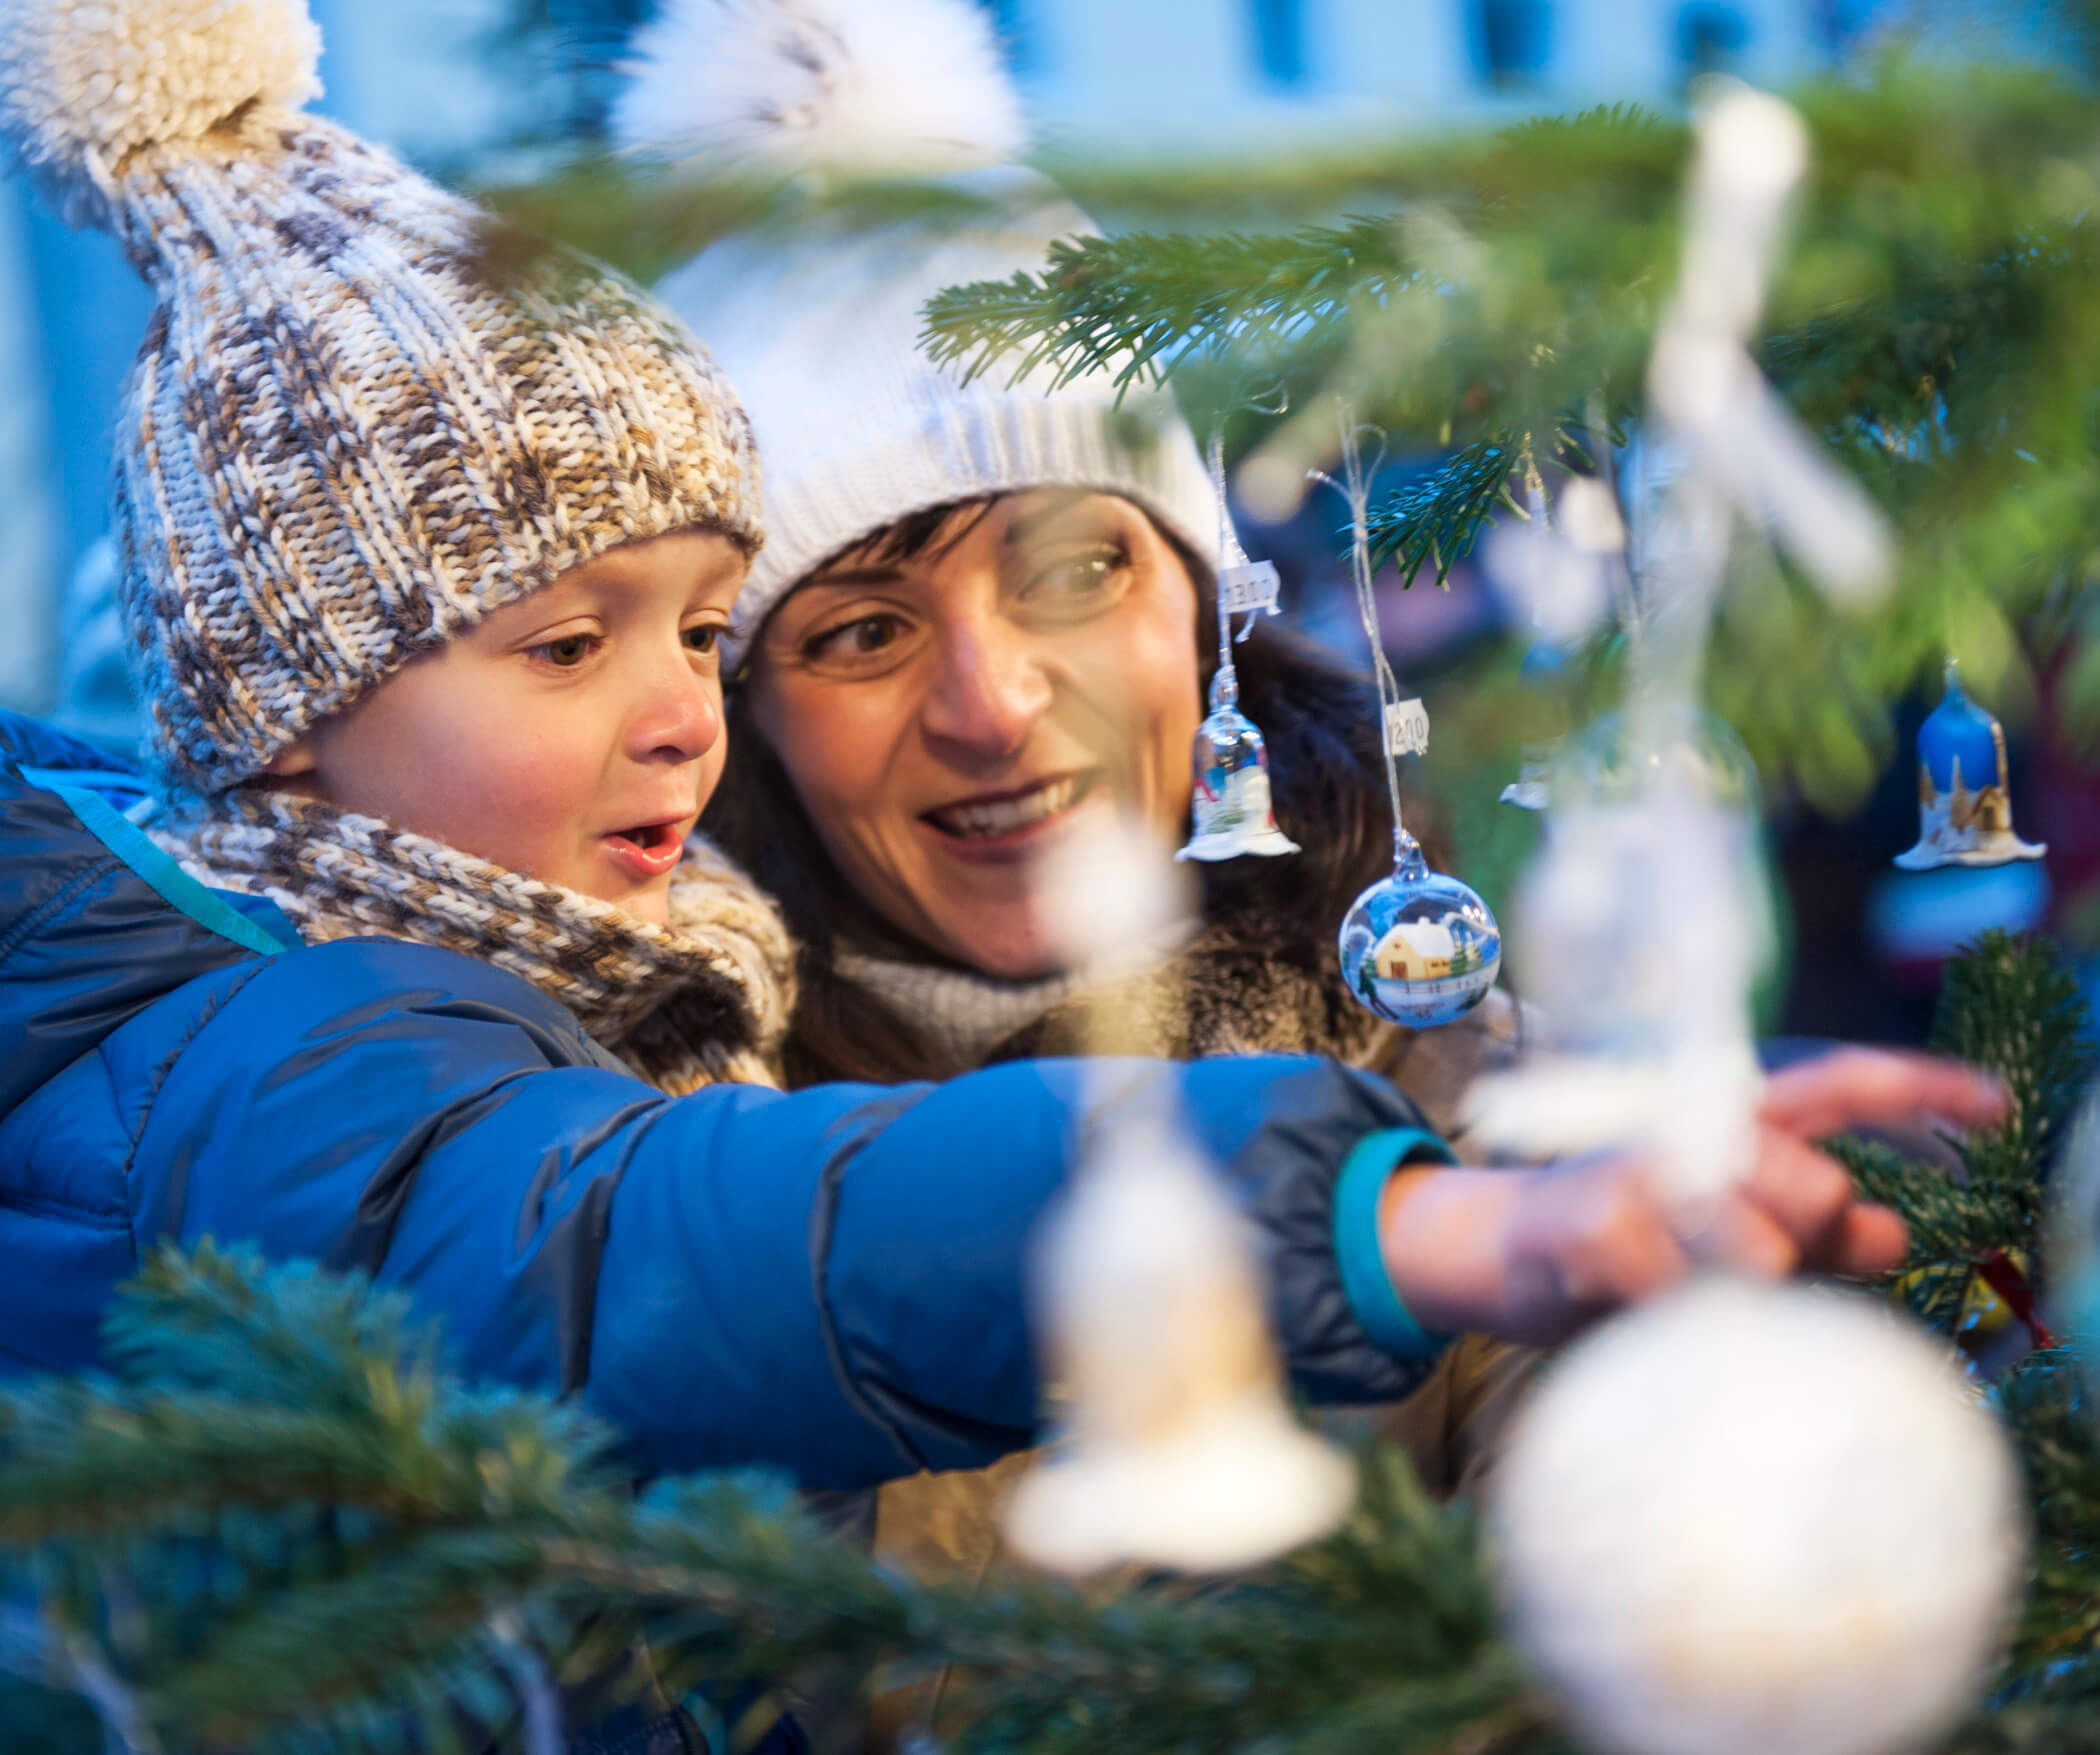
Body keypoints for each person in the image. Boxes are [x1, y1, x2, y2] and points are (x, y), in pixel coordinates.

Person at [617, 10, 2003, 1737]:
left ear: (1199, 614)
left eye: (1069, 573)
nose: (990, 707)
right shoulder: (653, 1179)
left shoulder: (1453, 1085)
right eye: (865, 630)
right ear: (744, 712)